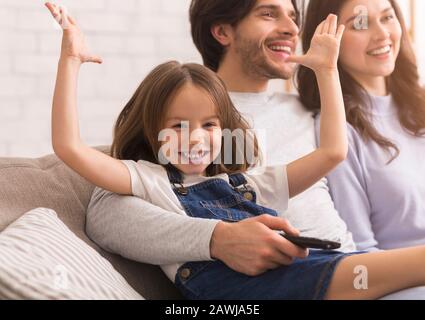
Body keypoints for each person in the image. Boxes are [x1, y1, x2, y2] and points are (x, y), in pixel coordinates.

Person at [45, 2, 425, 300]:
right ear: (222, 30)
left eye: (209, 126)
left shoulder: (255, 167)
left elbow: (332, 152)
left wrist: (326, 72)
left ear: (224, 129)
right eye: (268, 12)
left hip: (324, 265)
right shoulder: (149, 174)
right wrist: (71, 61)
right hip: (258, 284)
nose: (195, 138)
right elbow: (81, 168)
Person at [297, 0, 425, 252]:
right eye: (360, 24)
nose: (382, 34)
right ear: (327, 40)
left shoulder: (418, 105)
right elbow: (361, 253)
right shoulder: (337, 131)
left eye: (388, 18)